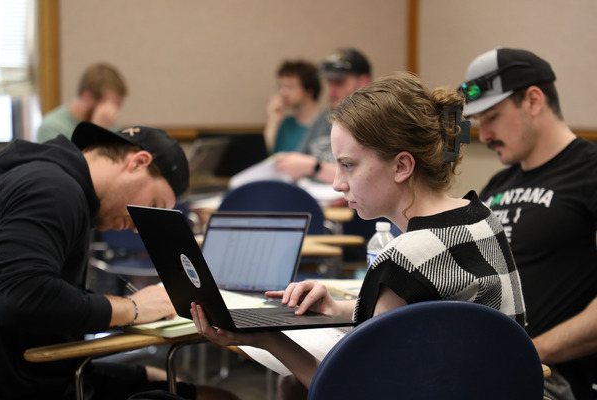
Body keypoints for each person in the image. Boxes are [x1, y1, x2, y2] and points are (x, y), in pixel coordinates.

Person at [190, 71, 526, 398]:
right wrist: (336, 308)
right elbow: (429, 315)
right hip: (501, 387)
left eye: (348, 165)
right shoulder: (481, 218)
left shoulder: (405, 259)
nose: (337, 182)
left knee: (292, 384)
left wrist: (268, 339)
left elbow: (352, 391)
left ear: (401, 166)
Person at [0, 122, 239, 400]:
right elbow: (20, 297)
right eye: (155, 204)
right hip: (26, 382)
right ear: (138, 162)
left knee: (166, 379)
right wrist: (133, 308)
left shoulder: (47, 176)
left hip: (38, 369)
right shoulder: (54, 189)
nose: (138, 228)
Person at [459, 47, 597, 400]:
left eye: (491, 117)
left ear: (533, 100)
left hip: (550, 378)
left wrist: (526, 352)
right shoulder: (498, 184)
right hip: (482, 364)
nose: (484, 134)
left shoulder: (590, 171)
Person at [273, 48, 371, 184]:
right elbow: (297, 161)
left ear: (363, 82)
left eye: (339, 82)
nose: (331, 91)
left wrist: (315, 167)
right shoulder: (324, 119)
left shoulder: (376, 123)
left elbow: (366, 178)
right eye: (329, 83)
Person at [37, 63, 128, 142]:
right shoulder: (52, 128)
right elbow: (71, 162)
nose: (112, 112)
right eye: (107, 105)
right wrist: (96, 130)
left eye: (116, 107)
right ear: (86, 97)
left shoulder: (111, 126)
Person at [263, 60, 321, 153]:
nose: (283, 92)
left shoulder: (326, 124)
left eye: (290, 86)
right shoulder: (284, 124)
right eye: (281, 86)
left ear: (309, 90)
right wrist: (273, 120)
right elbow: (268, 154)